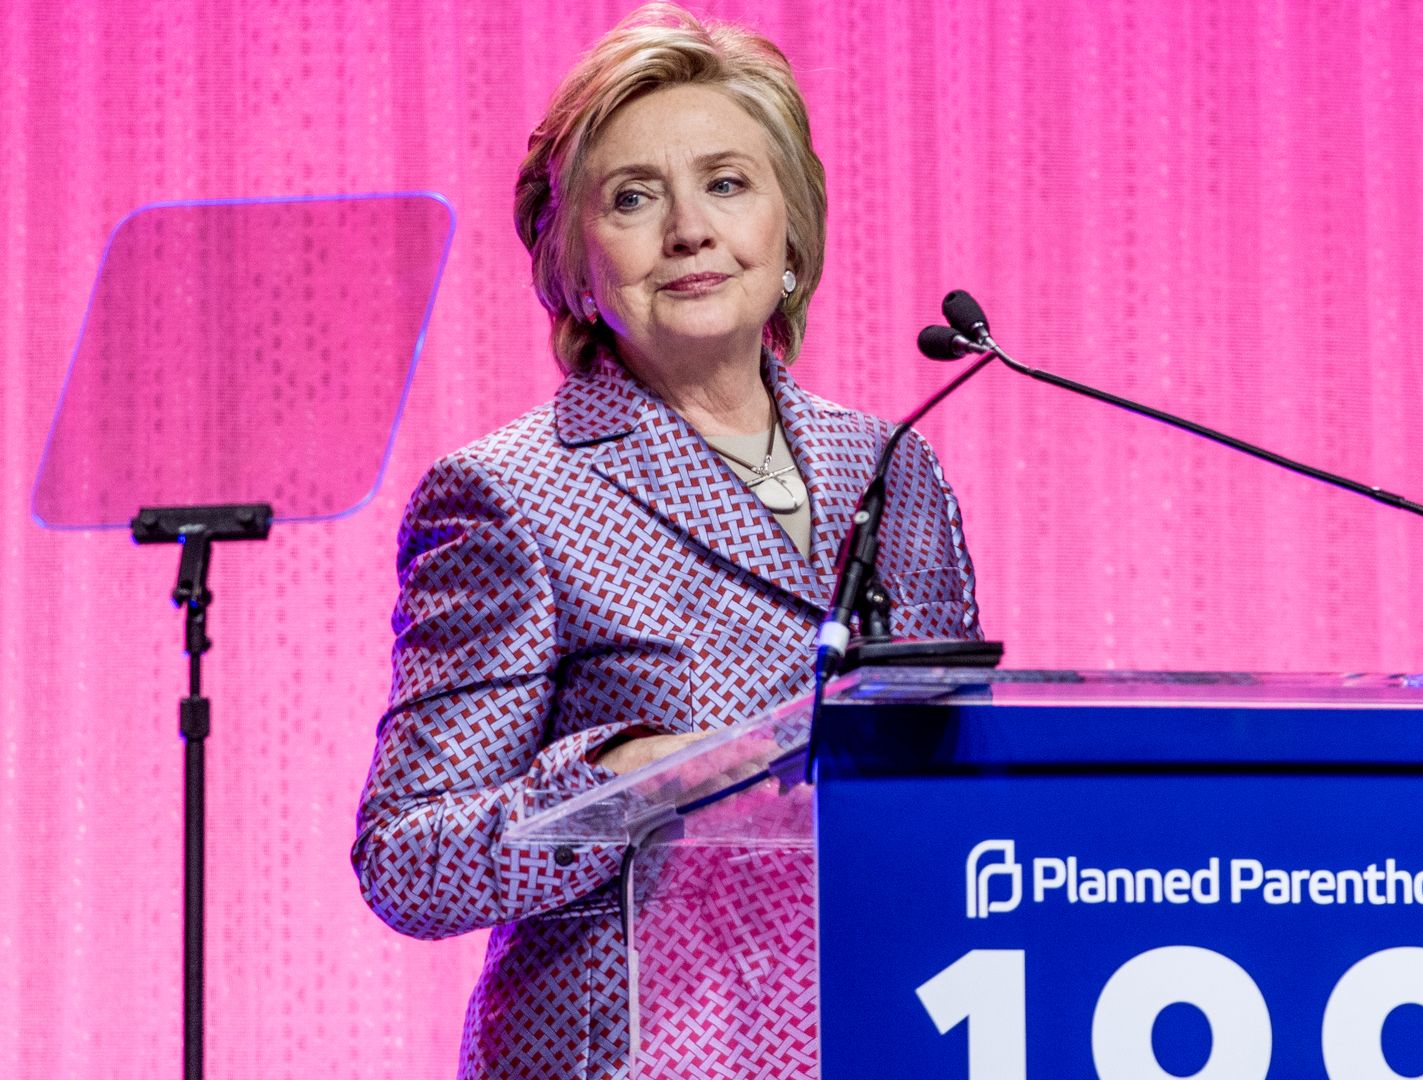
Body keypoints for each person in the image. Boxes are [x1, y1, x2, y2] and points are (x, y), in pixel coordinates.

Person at [350, 6, 981, 1076]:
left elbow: (951, 777)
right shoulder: (509, 494)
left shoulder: (894, 467)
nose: (690, 229)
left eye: (727, 184)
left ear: (791, 229)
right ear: (571, 261)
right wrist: (613, 784)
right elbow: (407, 863)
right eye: (634, 198)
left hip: (884, 1031)